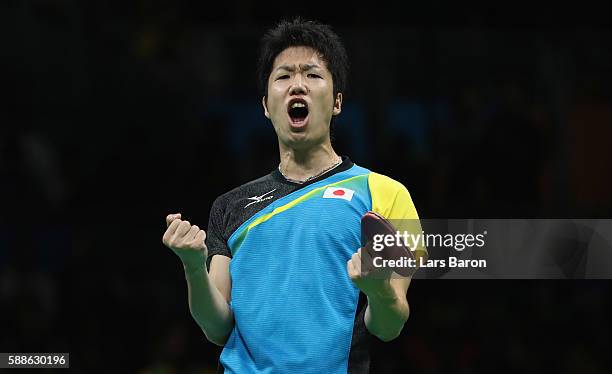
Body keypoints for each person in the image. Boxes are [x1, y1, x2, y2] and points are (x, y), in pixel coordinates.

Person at [162, 18, 425, 374]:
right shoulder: (230, 206)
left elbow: (389, 326)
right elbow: (216, 328)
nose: (297, 85)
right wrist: (193, 267)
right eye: (283, 76)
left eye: (313, 75)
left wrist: (378, 290)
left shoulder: (386, 195)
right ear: (267, 105)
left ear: (336, 102)